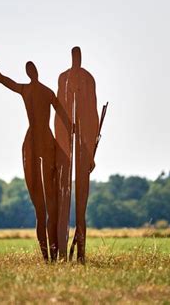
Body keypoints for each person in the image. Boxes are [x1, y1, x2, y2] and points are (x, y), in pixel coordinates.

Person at [0, 41, 58, 261]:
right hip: (34, 142)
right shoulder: (36, 90)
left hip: (42, 140)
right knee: (40, 207)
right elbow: (0, 78)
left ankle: (52, 254)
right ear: (30, 73)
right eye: (29, 70)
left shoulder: (41, 91)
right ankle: (47, 257)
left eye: (32, 70)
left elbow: (64, 116)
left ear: (33, 72)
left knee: (49, 204)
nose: (31, 73)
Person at [54, 46, 99, 263]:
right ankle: (62, 253)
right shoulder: (63, 79)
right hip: (66, 142)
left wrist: (90, 149)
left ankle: (80, 253)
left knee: (81, 203)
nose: (76, 59)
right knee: (64, 199)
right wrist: (60, 143)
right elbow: (59, 111)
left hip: (83, 142)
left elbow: (93, 112)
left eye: (79, 56)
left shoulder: (89, 79)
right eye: (74, 56)